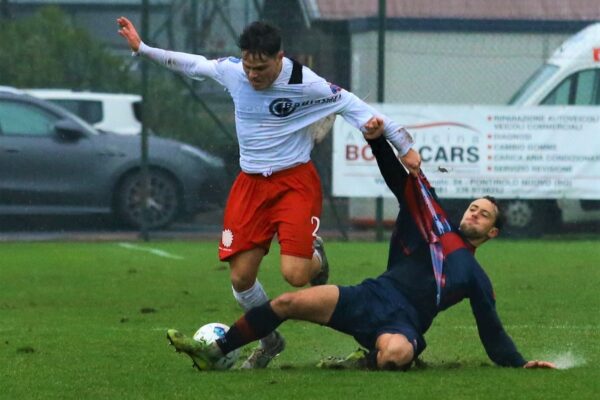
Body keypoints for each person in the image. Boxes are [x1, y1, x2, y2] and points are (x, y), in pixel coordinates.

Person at [117, 18, 421, 369]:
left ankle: (316, 255)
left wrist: (403, 145)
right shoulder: (233, 72)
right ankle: (270, 340)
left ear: (280, 58)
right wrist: (143, 49)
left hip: (294, 183)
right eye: (248, 66)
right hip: (250, 186)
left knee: (296, 276)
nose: (252, 75)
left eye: (260, 68)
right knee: (241, 279)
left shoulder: (305, 83)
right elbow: (192, 63)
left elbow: (354, 106)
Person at [165, 117, 556, 371]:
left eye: (483, 215)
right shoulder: (430, 218)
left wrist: (520, 364)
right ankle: (217, 351)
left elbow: (492, 330)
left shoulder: (474, 275)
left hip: (403, 324)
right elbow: (398, 179)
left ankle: (366, 359)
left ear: (492, 234)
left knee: (397, 355)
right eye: (473, 207)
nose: (473, 214)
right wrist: (378, 142)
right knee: (286, 303)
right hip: (370, 296)